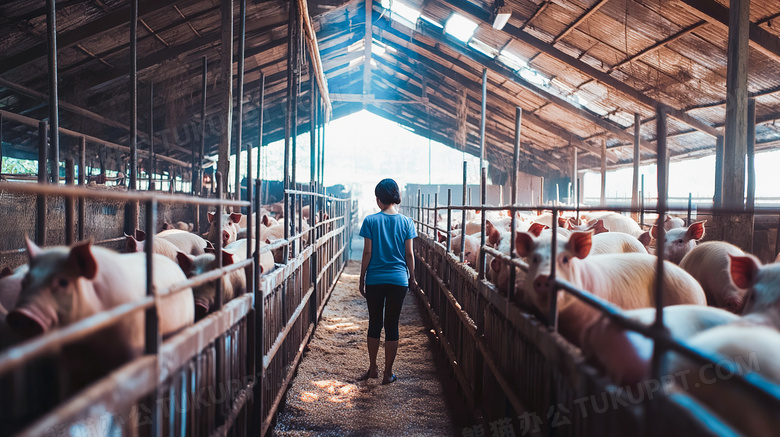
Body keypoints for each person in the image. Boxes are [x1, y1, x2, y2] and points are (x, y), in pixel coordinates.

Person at [358, 178, 417, 385]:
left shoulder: (370, 221)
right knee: (392, 325)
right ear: (395, 197)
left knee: (374, 323)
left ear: (378, 199)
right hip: (399, 280)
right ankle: (388, 373)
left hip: (375, 279)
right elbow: (409, 254)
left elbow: (367, 252)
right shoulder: (407, 222)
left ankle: (373, 368)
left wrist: (362, 277)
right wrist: (412, 276)